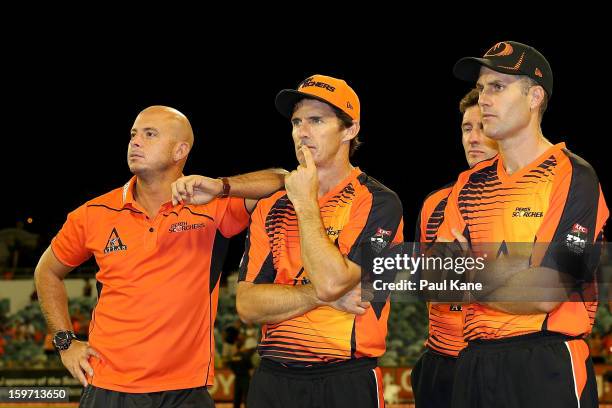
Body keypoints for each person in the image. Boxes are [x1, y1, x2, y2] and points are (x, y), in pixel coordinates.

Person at [34, 105, 286, 408]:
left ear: (180, 150)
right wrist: (65, 343)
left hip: (185, 390)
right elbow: (46, 272)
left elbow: (283, 180)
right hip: (107, 386)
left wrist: (221, 187)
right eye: (133, 134)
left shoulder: (212, 206)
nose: (135, 142)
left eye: (149, 134)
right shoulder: (93, 213)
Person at [436, 41, 609, 407]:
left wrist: (472, 269)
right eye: (482, 88)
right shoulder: (469, 184)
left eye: (497, 87)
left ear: (534, 97)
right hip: (473, 361)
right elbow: (439, 279)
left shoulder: (574, 175)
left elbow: (546, 292)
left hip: (546, 362)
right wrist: (516, 271)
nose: (484, 99)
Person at [236, 75, 404, 408]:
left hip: (346, 378)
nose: (302, 131)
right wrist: (324, 298)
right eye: (297, 121)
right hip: (272, 379)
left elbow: (332, 281)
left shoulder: (379, 202)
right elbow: (247, 305)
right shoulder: (271, 205)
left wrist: (305, 203)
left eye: (316, 120)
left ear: (349, 130)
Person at [410, 88, 497, 408]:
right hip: (442, 364)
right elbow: (422, 283)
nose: (473, 138)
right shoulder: (435, 204)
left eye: (483, 127)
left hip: (499, 363)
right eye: (466, 128)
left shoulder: (533, 199)